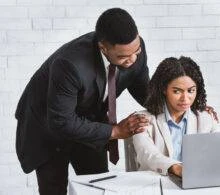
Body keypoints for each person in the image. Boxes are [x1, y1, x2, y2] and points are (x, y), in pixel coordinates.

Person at [15, 8, 150, 195]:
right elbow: (61, 122)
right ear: (103, 47)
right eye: (123, 57)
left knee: (98, 185)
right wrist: (115, 131)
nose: (133, 59)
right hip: (47, 127)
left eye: (137, 51)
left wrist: (192, 106)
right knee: (54, 190)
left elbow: (145, 91)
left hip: (88, 121)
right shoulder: (70, 64)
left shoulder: (134, 49)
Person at [132, 56, 219, 177]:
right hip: (155, 183)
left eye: (191, 91)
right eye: (177, 91)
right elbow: (148, 155)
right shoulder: (142, 120)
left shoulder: (206, 118)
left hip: (195, 181)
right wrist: (176, 168)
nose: (185, 98)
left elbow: (217, 153)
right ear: (164, 89)